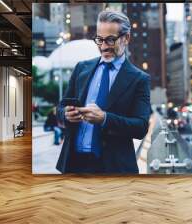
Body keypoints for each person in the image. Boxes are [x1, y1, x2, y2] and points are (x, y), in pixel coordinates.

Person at [56, 10, 151, 173]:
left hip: (114, 167)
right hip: (74, 163)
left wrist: (105, 119)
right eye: (99, 40)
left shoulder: (139, 79)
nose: (104, 46)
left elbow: (141, 127)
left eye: (110, 40)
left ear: (126, 38)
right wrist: (65, 114)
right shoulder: (81, 68)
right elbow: (60, 107)